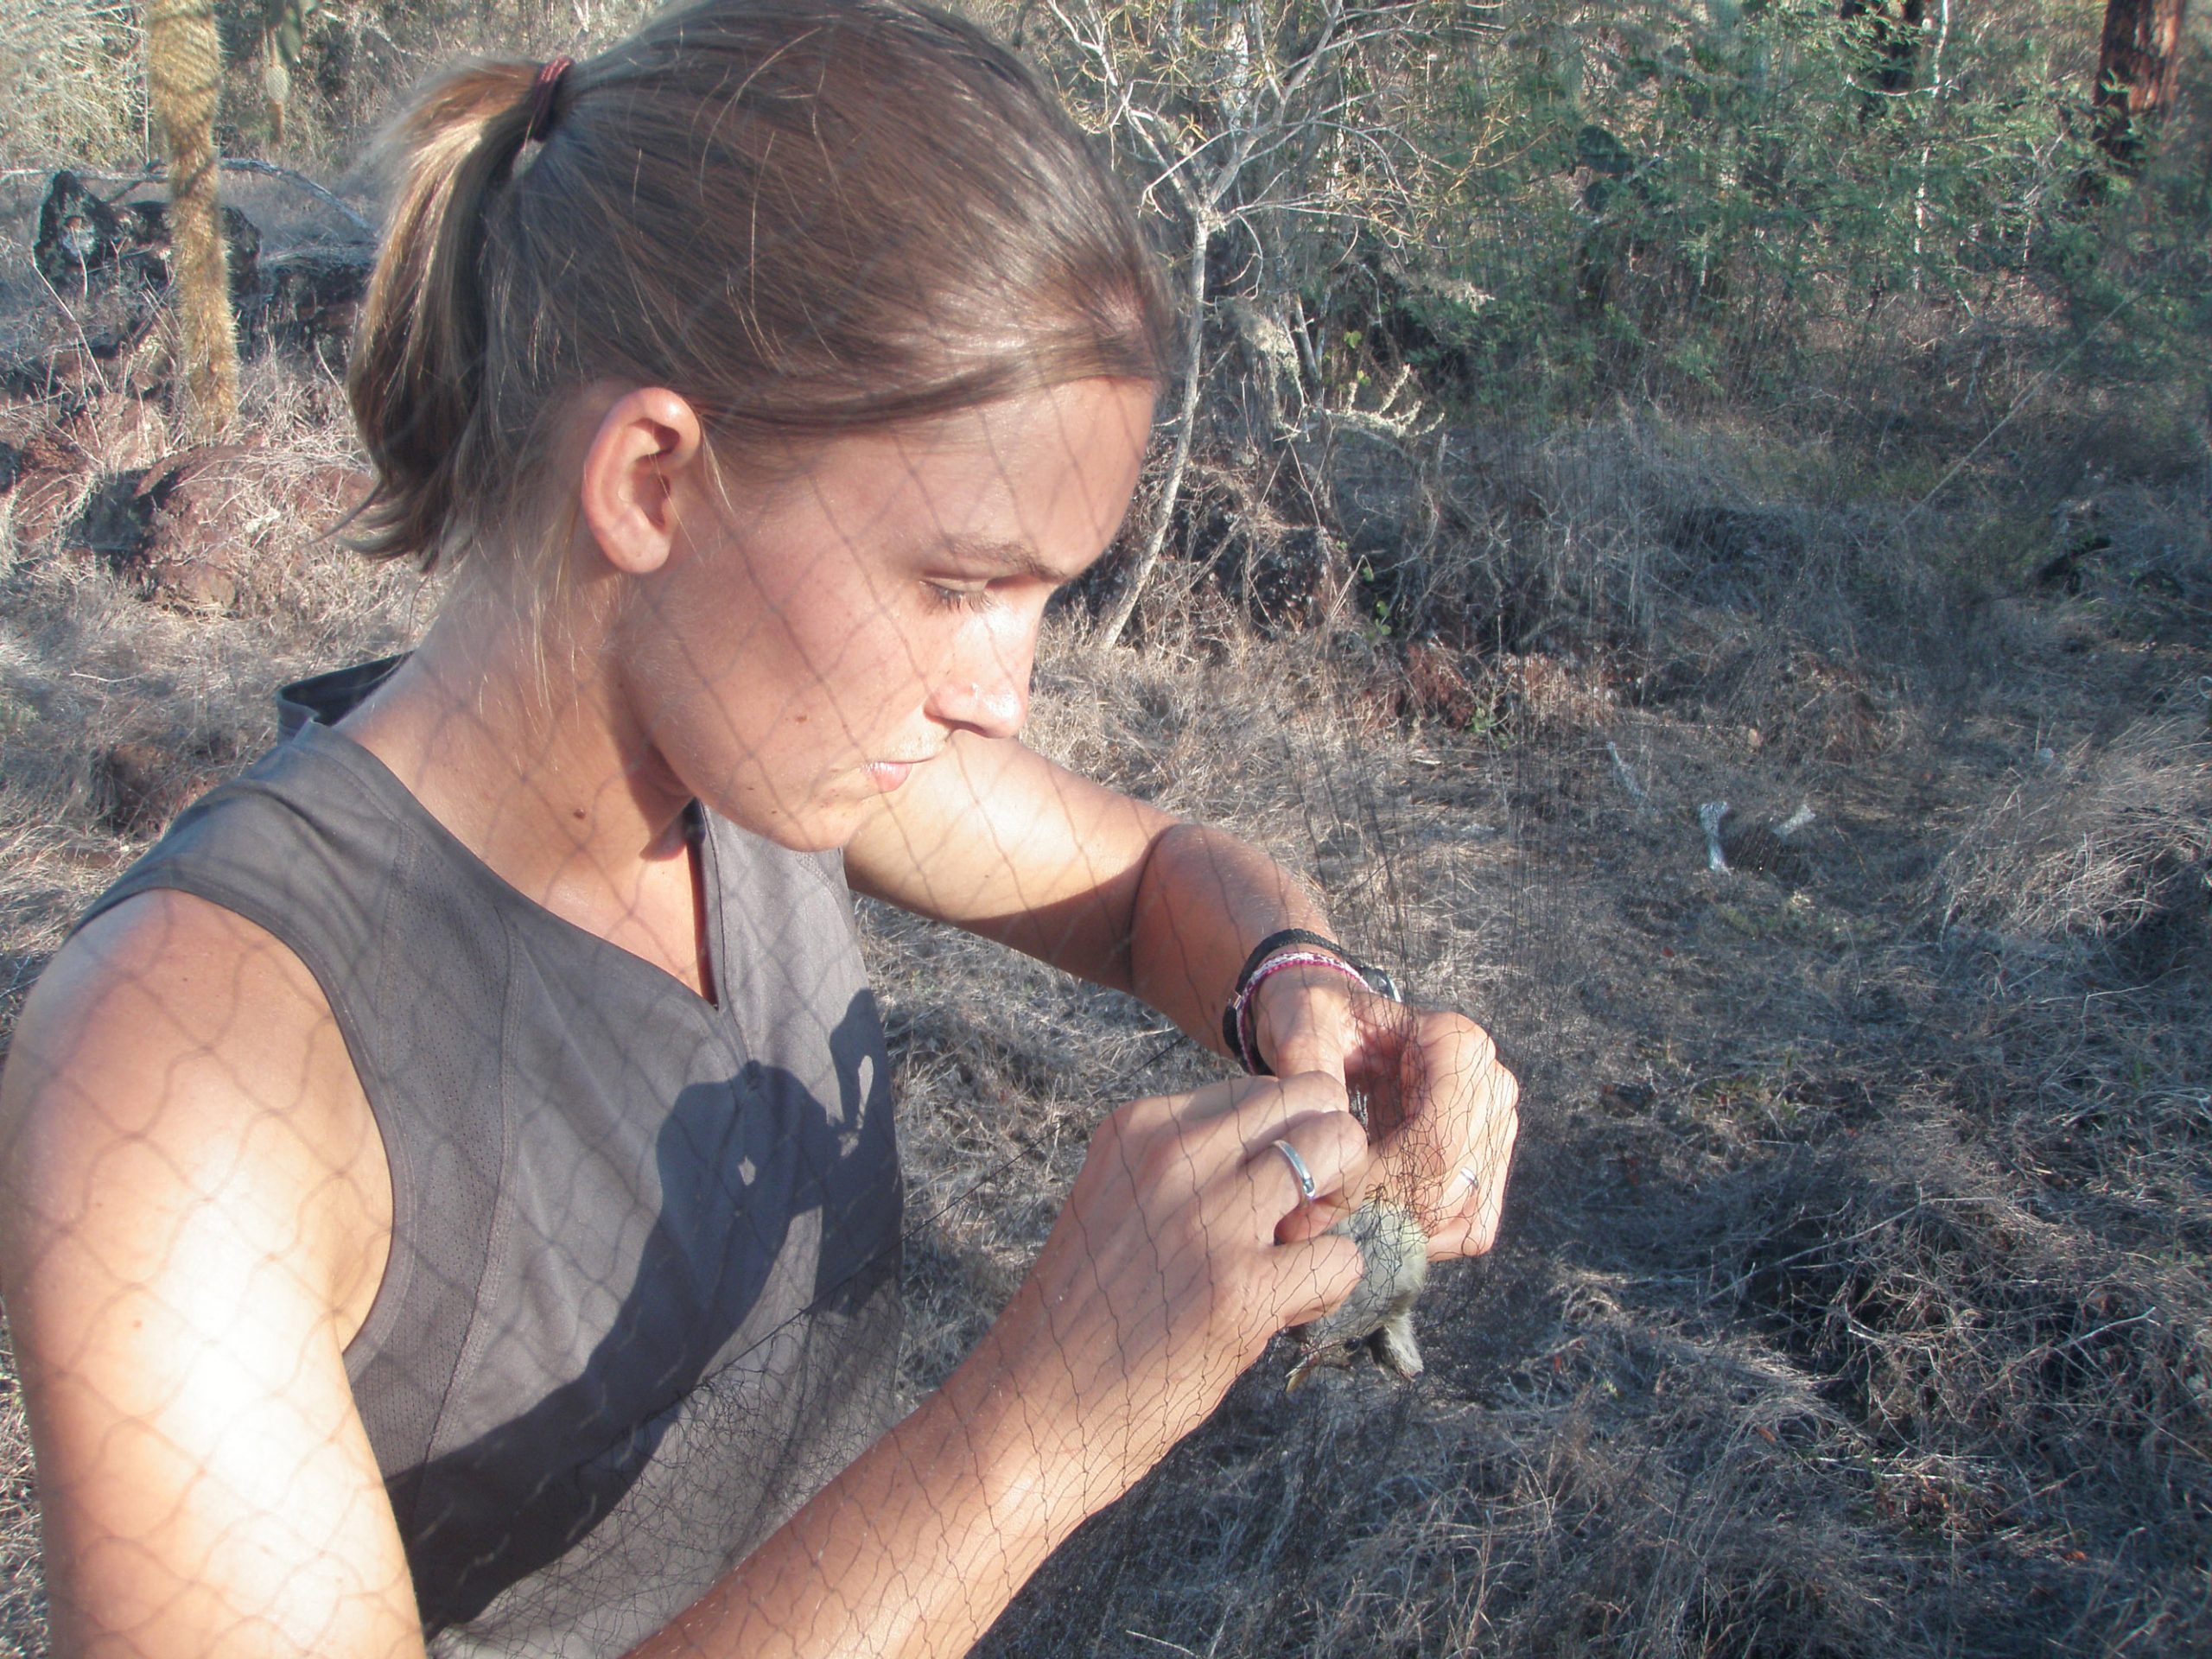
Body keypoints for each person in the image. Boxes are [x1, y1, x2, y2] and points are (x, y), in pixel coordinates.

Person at [0, 2, 1521, 1654]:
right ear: (654, 481)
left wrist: (1301, 990)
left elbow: (1157, 884)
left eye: (1038, 598)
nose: (1001, 698)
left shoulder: (766, 761)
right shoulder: (188, 1065)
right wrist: (1035, 1435)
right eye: (954, 583)